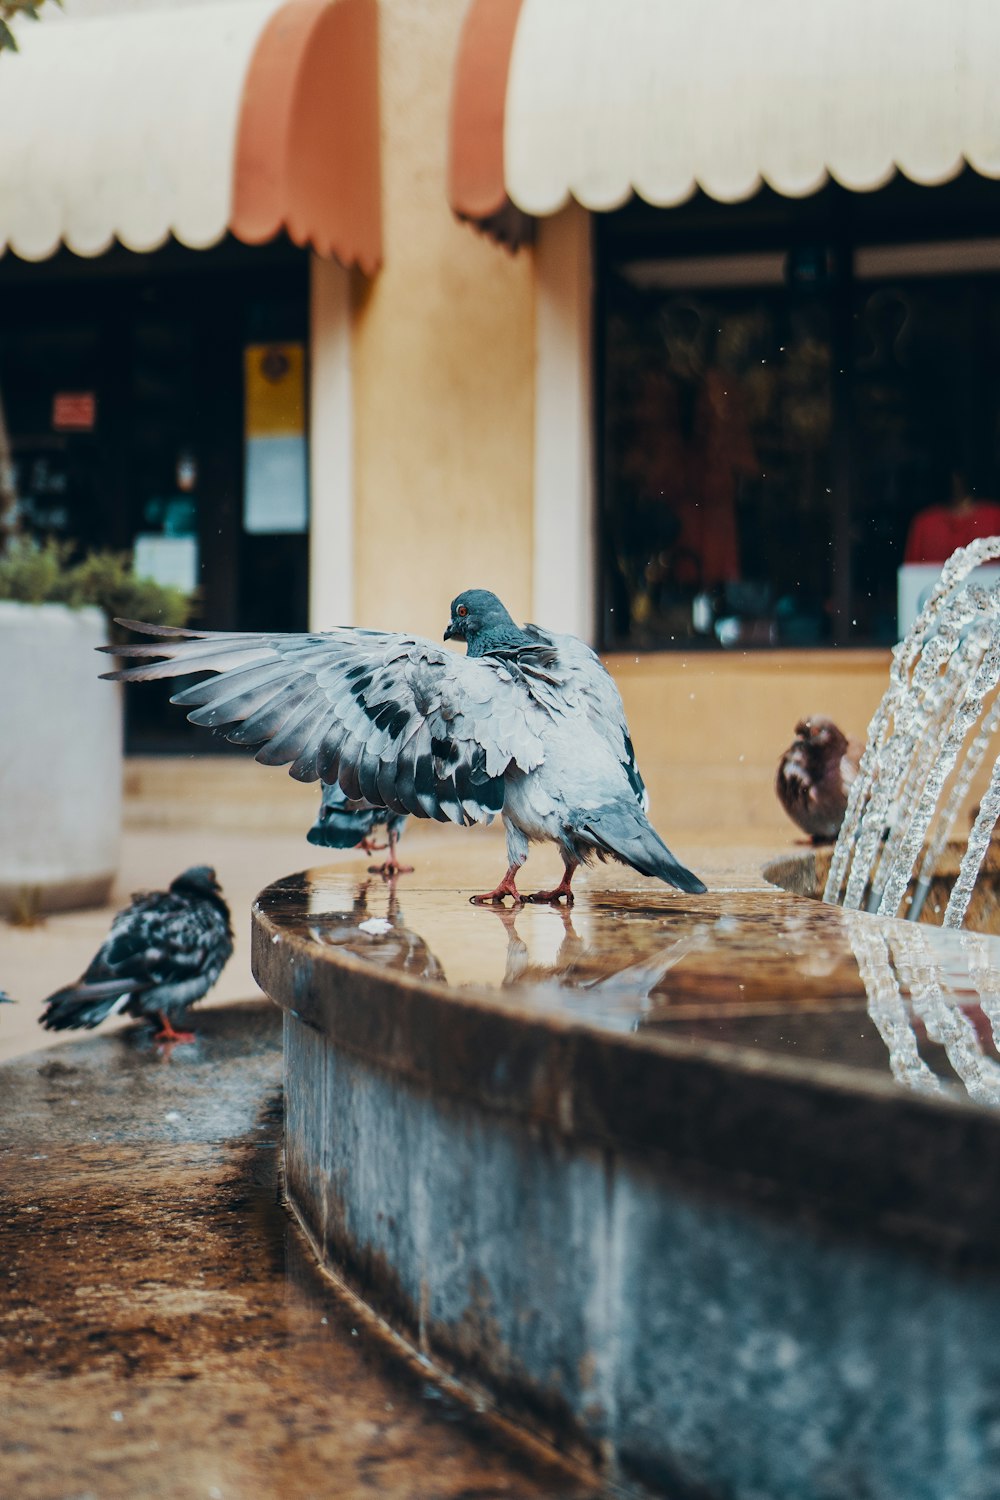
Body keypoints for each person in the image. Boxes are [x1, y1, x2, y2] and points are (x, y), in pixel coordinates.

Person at [904, 470, 1000, 564]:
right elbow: (910, 574)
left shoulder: (995, 517)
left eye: (960, 473)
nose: (956, 479)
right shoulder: (924, 523)